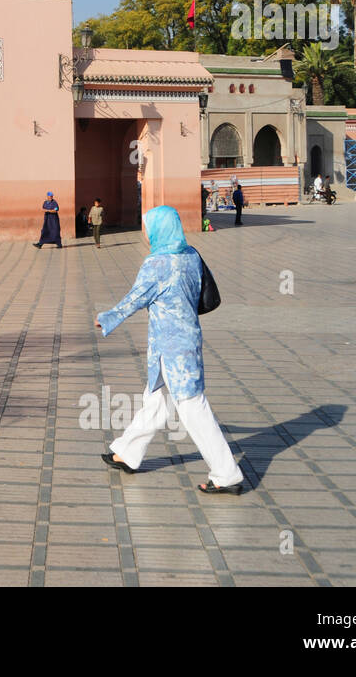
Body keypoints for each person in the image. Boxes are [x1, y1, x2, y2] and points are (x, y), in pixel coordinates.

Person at [95, 205, 245, 495]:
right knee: (156, 401)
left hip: (171, 349)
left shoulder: (158, 264)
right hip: (188, 341)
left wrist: (107, 318)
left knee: (193, 407)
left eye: (149, 227)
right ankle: (127, 452)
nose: (147, 233)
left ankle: (227, 473)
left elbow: (135, 298)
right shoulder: (191, 256)